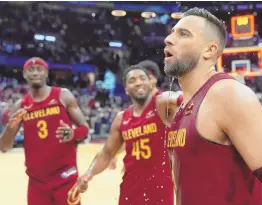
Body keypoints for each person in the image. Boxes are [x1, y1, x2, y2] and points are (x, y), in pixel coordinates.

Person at [163, 7, 262, 205]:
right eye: (171, 32)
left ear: (210, 50)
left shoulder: (228, 96)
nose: (168, 39)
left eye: (183, 34)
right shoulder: (185, 104)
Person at [72, 65, 183, 205]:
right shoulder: (121, 118)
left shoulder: (161, 104)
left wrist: (183, 97)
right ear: (126, 89)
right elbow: (107, 153)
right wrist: (89, 174)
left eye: (143, 78)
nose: (138, 82)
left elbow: (176, 97)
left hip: (159, 190)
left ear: (150, 84)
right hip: (130, 189)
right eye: (132, 80)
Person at [0, 57, 89, 205]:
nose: (35, 73)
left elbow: (85, 129)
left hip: (65, 177)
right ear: (24, 74)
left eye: (39, 69)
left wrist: (74, 134)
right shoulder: (20, 105)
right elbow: (3, 147)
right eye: (31, 70)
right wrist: (10, 129)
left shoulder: (63, 95)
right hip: (37, 183)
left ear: (46, 73)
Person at [108, 60, 162, 170]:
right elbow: (133, 136)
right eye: (135, 80)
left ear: (154, 80)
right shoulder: (136, 107)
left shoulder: (164, 103)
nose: (139, 83)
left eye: (143, 78)